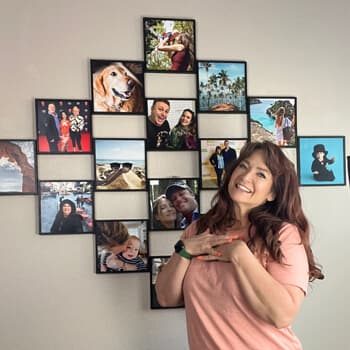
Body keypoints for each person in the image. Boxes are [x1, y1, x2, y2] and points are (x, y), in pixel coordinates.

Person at [156, 141, 324, 350]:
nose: (245, 177)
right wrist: (185, 251)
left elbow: (282, 315)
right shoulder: (199, 229)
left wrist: (239, 254)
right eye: (243, 166)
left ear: (272, 193)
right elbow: (166, 298)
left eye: (261, 174)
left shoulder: (284, 234)